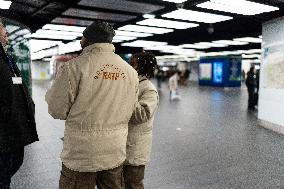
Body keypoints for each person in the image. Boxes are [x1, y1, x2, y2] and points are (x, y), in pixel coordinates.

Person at [45, 21, 139, 189]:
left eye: (82, 36)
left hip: (82, 155)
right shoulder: (130, 72)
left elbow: (56, 110)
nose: (80, 40)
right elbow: (131, 108)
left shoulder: (73, 68)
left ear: (87, 39)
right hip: (114, 151)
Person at [0, 21, 38, 188]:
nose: (6, 34)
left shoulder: (5, 58)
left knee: (9, 170)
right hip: (4, 134)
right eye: (3, 29)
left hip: (13, 133)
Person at [124, 52, 159, 189]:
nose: (128, 66)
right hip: (121, 145)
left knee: (133, 183)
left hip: (135, 149)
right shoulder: (131, 82)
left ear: (142, 67)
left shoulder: (149, 89)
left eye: (132, 64)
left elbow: (142, 115)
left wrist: (126, 96)